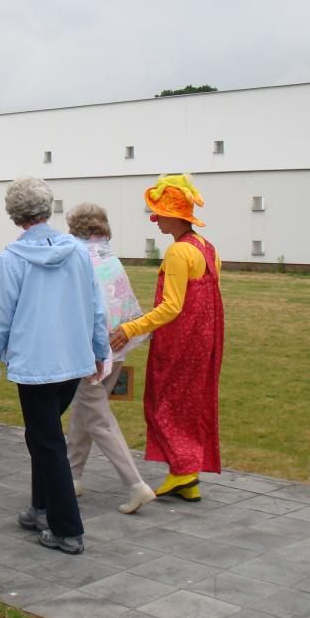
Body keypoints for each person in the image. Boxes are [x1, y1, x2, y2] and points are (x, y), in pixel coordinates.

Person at [0, 177, 110, 556]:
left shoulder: (11, 259)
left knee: (48, 441)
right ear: (48, 208)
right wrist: (99, 349)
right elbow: (97, 306)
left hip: (36, 366)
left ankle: (67, 529)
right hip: (72, 360)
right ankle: (40, 507)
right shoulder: (80, 253)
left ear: (13, 214)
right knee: (42, 436)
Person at [110, 173, 224, 503]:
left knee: (163, 404)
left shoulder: (177, 253)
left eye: (158, 212)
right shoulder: (208, 248)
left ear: (173, 216)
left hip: (180, 341)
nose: (154, 218)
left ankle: (183, 471)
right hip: (205, 341)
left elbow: (172, 307)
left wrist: (131, 328)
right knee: (189, 404)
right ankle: (186, 476)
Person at [64, 203, 155, 514]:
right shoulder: (110, 257)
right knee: (83, 410)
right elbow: (126, 302)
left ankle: (136, 485)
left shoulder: (76, 258)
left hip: (91, 353)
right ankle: (71, 476)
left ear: (74, 227)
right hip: (117, 348)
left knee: (99, 419)